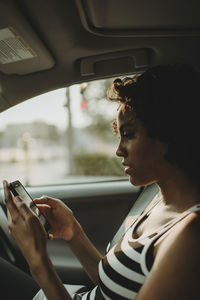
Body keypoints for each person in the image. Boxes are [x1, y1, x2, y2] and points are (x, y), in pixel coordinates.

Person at [3, 64, 200, 300]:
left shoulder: (190, 237)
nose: (118, 151)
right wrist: (73, 232)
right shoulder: (157, 197)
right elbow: (116, 285)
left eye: (128, 134)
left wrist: (38, 262)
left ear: (169, 131)